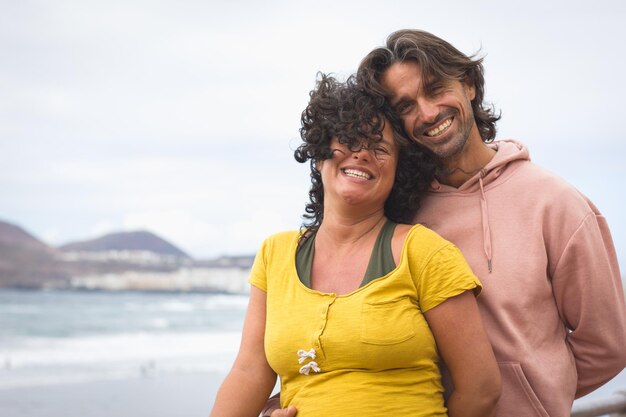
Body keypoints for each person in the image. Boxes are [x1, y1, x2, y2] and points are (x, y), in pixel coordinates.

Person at [266, 29, 626, 417]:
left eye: (436, 89)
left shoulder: (555, 203)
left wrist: (534, 396)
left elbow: (607, 344)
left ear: (469, 85)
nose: (428, 113)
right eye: (405, 106)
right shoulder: (395, 208)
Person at [210, 75, 501, 417]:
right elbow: (248, 372)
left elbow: (481, 389)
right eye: (349, 139)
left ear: (398, 173)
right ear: (319, 155)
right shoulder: (275, 254)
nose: (362, 153)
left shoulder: (424, 252)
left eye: (380, 149)